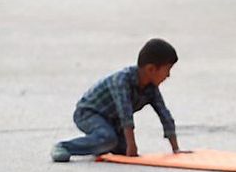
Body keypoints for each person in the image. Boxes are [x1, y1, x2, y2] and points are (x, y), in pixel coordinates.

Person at [51, 39, 183, 162]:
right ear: (151, 69)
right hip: (88, 113)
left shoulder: (151, 88)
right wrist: (132, 146)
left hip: (113, 121)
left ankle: (98, 144)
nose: (168, 75)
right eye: (168, 70)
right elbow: (125, 114)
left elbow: (164, 115)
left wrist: (176, 149)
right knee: (108, 139)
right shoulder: (122, 81)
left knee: (120, 148)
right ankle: (64, 146)